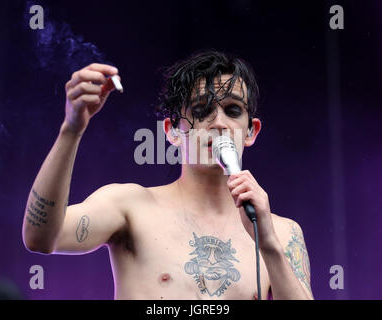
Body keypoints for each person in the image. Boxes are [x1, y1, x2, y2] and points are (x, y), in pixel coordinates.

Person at [22, 51, 313, 300]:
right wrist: (71, 129)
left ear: (251, 131)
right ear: (173, 131)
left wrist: (269, 244)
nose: (219, 123)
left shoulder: (283, 233)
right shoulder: (131, 206)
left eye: (233, 110)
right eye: (201, 110)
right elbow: (42, 238)